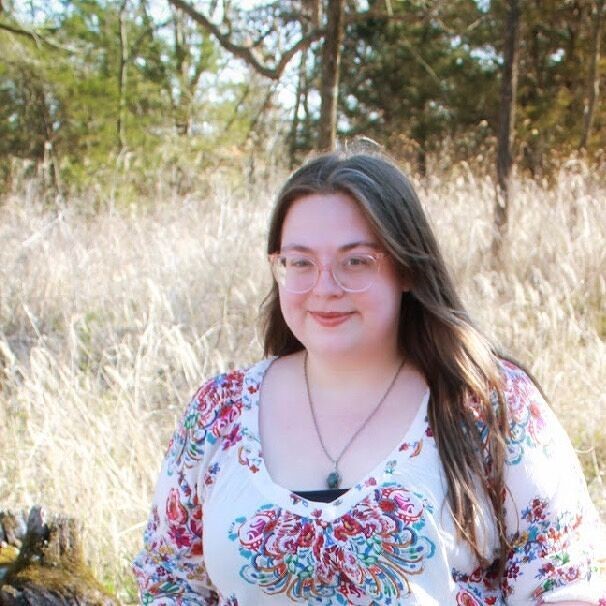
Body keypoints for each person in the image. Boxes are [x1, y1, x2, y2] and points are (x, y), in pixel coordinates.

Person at [132, 152, 605, 604]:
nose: (325, 287)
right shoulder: (220, 412)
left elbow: (565, 586)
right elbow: (169, 580)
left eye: (355, 261)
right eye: (299, 262)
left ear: (406, 268)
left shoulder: (486, 403)